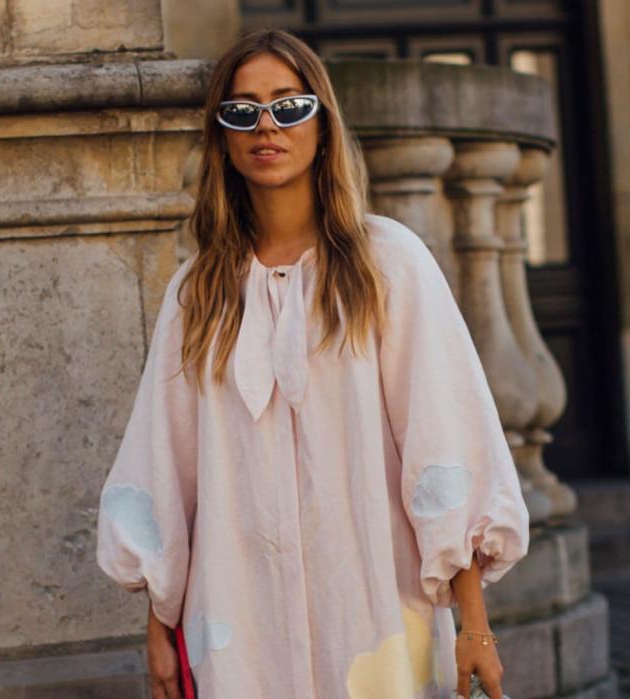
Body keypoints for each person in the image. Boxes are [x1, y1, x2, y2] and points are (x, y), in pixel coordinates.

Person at [96, 27, 530, 699]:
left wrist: (475, 624)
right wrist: (160, 628)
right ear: (223, 138)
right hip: (240, 624)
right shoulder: (199, 292)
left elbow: (444, 447)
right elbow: (164, 468)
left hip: (373, 609)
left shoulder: (388, 265)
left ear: (323, 125)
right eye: (242, 110)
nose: (266, 125)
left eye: (288, 106)